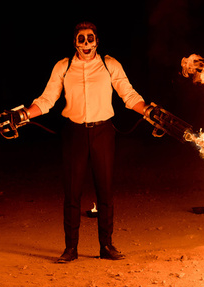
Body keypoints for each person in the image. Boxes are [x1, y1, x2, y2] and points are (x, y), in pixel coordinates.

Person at [18, 22, 149, 263]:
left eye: (90, 38)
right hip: (75, 134)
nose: (86, 43)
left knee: (105, 191)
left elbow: (128, 95)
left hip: (103, 132)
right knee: (72, 193)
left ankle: (106, 246)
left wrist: (148, 111)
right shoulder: (64, 67)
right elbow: (47, 99)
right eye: (81, 39)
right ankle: (70, 249)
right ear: (75, 43)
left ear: (97, 41)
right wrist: (24, 114)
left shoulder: (110, 65)